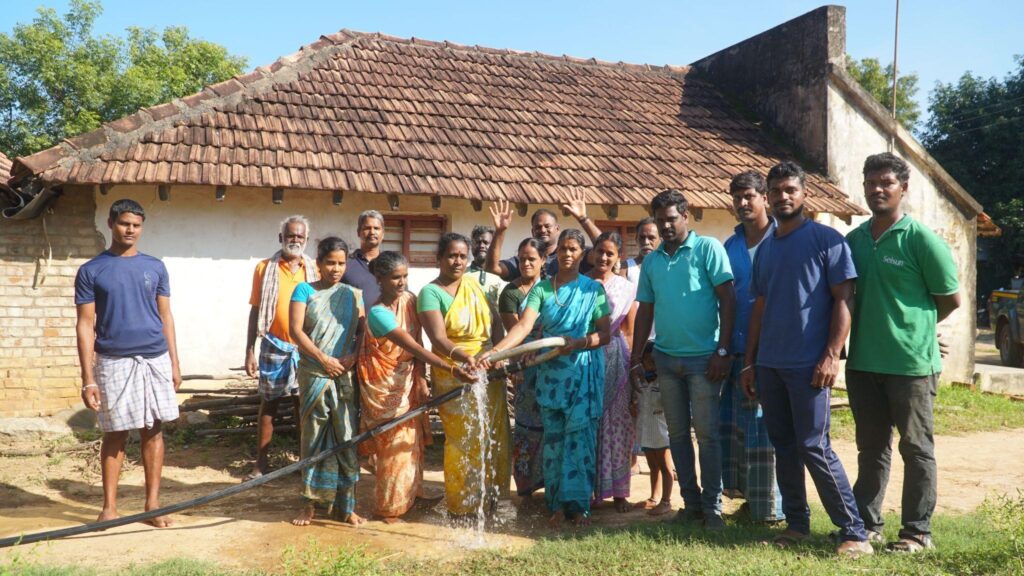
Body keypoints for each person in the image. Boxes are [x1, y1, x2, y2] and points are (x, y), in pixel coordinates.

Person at [740, 161, 872, 557]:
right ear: (768, 197)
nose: (783, 197)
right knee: (783, 444)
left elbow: (844, 299)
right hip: (770, 365)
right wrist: (750, 362)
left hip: (810, 365)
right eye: (776, 191)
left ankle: (854, 531)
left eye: (790, 190)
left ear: (803, 194)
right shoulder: (765, 251)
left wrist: (832, 356)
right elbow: (759, 308)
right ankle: (797, 525)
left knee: (814, 444)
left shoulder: (827, 240)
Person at [846, 153, 961, 552]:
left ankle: (916, 532)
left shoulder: (921, 240)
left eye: (886, 183)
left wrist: (918, 328)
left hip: (911, 365)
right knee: (871, 448)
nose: (877, 189)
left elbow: (949, 299)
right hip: (862, 363)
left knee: (916, 448)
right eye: (871, 182)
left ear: (903, 189)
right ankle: (866, 525)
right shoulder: (855, 240)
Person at [478, 229, 612, 528]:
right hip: (550, 375)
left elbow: (606, 333)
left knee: (580, 440)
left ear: (583, 254)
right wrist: (495, 353)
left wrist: (579, 342)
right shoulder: (541, 290)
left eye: (574, 249)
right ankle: (555, 505)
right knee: (553, 442)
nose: (567, 254)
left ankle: (578, 507)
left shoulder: (594, 290)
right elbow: (523, 327)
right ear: (555, 254)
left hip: (582, 372)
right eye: (563, 248)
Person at [630, 189, 736, 531]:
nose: (666, 226)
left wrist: (723, 350)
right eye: (660, 221)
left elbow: (728, 300)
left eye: (671, 219)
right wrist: (636, 358)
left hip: (704, 360)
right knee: (677, 436)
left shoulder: (708, 249)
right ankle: (691, 505)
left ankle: (713, 507)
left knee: (706, 436)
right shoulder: (652, 261)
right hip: (666, 360)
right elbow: (645, 310)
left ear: (686, 216)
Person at [75, 198, 181, 527]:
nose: (130, 230)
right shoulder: (92, 270)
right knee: (115, 432)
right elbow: (85, 325)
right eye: (124, 224)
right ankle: (109, 507)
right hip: (113, 361)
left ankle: (152, 504)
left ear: (142, 228)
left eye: (136, 225)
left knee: (153, 430)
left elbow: (166, 315)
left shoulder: (156, 266)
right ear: (111, 224)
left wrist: (175, 362)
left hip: (155, 357)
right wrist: (88, 377)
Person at [358, 251, 476, 523]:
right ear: (380, 279)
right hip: (384, 386)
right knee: (393, 445)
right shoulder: (378, 313)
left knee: (412, 441)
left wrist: (421, 378)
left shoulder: (409, 300)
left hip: (409, 379)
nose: (402, 282)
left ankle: (414, 492)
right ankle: (389, 506)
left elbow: (420, 343)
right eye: (395, 278)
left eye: (405, 276)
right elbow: (412, 347)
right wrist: (452, 368)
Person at [418, 233, 511, 516]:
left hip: (487, 367)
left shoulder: (474, 285)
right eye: (451, 255)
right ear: (439, 258)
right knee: (463, 438)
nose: (457, 261)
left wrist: (494, 354)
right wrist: (465, 358)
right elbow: (437, 338)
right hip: (454, 370)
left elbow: (494, 321)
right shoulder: (429, 292)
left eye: (462, 256)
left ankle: (495, 500)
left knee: (496, 433)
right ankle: (463, 505)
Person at [720, 171, 784, 523]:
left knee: (765, 431)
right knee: (739, 432)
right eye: (737, 197)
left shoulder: (782, 238)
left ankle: (771, 509)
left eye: (749, 196)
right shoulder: (730, 246)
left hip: (773, 353)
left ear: (764, 198)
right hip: (736, 351)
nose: (743, 203)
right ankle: (752, 502)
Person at [289, 237, 365, 527]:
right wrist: (324, 359)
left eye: (341, 263)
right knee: (314, 436)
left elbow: (361, 333)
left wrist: (353, 357)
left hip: (343, 374)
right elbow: (296, 331)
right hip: (315, 373)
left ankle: (346, 506)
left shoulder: (353, 295)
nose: (336, 268)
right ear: (318, 263)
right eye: (330, 262)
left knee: (346, 437)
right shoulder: (304, 290)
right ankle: (308, 504)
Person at [244, 215, 318, 478]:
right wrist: (250, 349)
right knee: (269, 405)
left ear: (306, 240)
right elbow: (255, 310)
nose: (295, 240)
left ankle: (303, 461)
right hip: (273, 345)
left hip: (305, 347)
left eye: (300, 236)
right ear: (281, 238)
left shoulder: (315, 269)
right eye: (290, 235)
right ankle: (261, 463)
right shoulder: (265, 268)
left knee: (303, 406)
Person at [588, 231, 637, 512]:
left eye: (610, 253)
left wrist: (630, 371)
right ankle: (590, 489)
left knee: (617, 425)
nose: (604, 257)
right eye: (600, 252)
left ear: (618, 258)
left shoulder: (626, 288)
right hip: (584, 357)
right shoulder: (581, 284)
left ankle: (619, 492)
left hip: (616, 360)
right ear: (593, 252)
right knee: (590, 423)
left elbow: (629, 331)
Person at [497, 238, 547, 496]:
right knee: (527, 426)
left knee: (551, 424)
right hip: (525, 364)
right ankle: (526, 485)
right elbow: (517, 331)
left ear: (543, 261)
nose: (527, 263)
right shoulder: (510, 293)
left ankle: (551, 483)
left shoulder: (552, 289)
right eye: (522, 259)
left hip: (552, 364)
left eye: (532, 259)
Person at [484, 190, 600, 281]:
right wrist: (500, 231)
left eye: (547, 226)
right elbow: (492, 267)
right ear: (532, 232)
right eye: (538, 227)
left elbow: (604, 248)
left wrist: (583, 219)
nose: (543, 230)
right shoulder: (525, 260)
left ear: (557, 229)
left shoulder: (573, 254)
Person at [633, 341, 674, 516]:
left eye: (654, 362)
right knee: (652, 465)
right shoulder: (639, 382)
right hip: (645, 429)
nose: (650, 366)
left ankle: (666, 501)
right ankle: (654, 497)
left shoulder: (665, 382)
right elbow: (636, 400)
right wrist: (632, 404)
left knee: (665, 466)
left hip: (661, 430)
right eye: (647, 362)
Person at [469, 225, 507, 342]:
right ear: (471, 246)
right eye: (478, 242)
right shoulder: (461, 276)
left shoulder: (504, 275)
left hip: (499, 342)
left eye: (486, 242)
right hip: (470, 341)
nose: (482, 246)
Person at [342, 210, 385, 307]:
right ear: (358, 232)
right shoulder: (346, 263)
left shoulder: (391, 264)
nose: (372, 232)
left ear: (383, 233)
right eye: (367, 228)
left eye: (376, 228)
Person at [622, 217, 659, 284]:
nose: (646, 242)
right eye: (642, 237)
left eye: (651, 238)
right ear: (636, 239)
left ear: (660, 240)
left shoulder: (667, 267)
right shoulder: (625, 267)